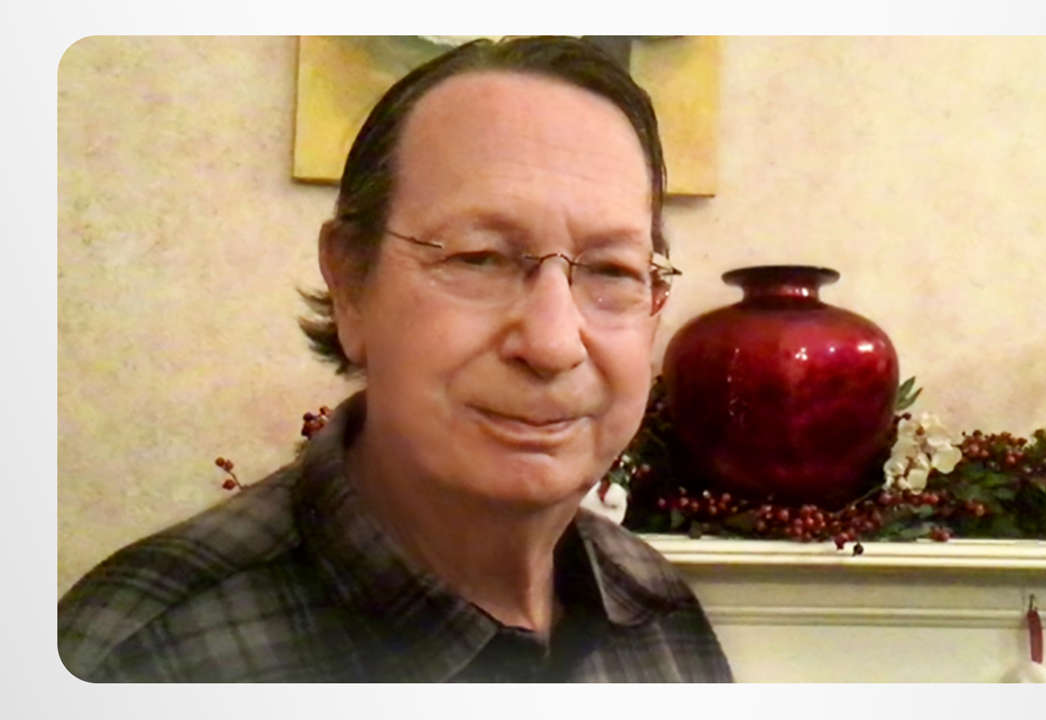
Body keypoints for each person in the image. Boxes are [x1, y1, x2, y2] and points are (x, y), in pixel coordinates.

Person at [57, 36, 732, 683]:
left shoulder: (664, 619)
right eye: (479, 258)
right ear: (351, 286)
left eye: (612, 270)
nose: (553, 344)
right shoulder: (142, 657)